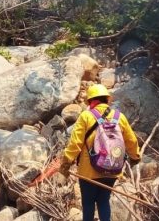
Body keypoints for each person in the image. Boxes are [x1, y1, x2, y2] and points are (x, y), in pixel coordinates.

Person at [60, 84, 141, 221]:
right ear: (107, 100)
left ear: (91, 101)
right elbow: (131, 140)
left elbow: (75, 143)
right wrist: (135, 157)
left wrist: (66, 162)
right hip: (113, 168)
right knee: (104, 201)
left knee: (88, 203)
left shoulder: (86, 116)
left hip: (88, 172)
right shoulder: (119, 116)